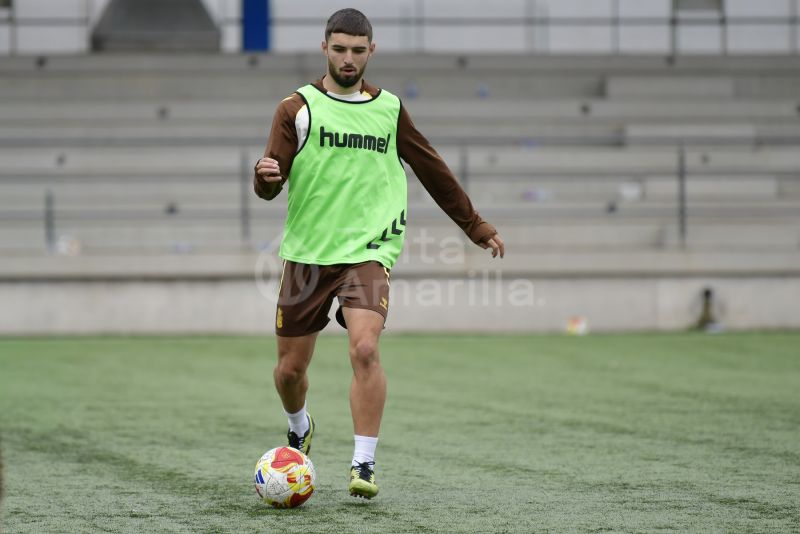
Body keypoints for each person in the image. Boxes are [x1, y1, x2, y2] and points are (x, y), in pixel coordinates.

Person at [254, 8, 505, 500]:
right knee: (289, 372)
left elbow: (432, 168)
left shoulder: (389, 109)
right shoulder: (297, 109)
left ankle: (363, 463)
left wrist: (474, 225)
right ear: (325, 49)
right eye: (340, 49)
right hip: (307, 254)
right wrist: (263, 179)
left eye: (357, 50)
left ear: (371, 50)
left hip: (369, 250)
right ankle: (299, 425)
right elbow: (271, 179)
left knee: (365, 349)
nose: (348, 59)